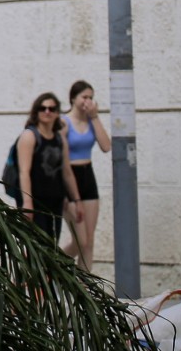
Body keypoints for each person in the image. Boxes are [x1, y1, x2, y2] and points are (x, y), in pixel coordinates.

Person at [10, 91, 81, 242]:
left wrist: (76, 200)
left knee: (52, 244)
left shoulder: (59, 139)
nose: (47, 112)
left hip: (55, 200)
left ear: (57, 113)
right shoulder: (29, 136)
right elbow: (24, 172)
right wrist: (27, 203)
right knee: (36, 244)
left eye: (52, 109)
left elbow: (67, 172)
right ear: (36, 112)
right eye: (43, 108)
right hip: (35, 200)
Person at [61, 79, 111, 271]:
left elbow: (106, 146)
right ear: (74, 98)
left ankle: (85, 289)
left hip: (87, 176)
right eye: (84, 97)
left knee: (89, 241)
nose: (87, 101)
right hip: (70, 177)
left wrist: (95, 117)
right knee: (80, 241)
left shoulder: (91, 121)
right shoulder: (64, 122)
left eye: (91, 97)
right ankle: (51, 264)